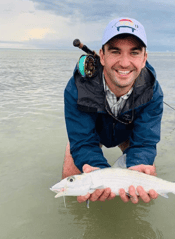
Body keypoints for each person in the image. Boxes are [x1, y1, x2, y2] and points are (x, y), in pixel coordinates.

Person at [62, 17, 163, 204]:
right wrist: (98, 172)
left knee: (146, 175)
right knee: (71, 174)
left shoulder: (152, 91)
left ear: (144, 59)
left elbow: (145, 142)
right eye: (115, 51)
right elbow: (83, 141)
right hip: (93, 134)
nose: (124, 63)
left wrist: (138, 164)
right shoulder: (76, 88)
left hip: (129, 135)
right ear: (102, 55)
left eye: (134, 53)